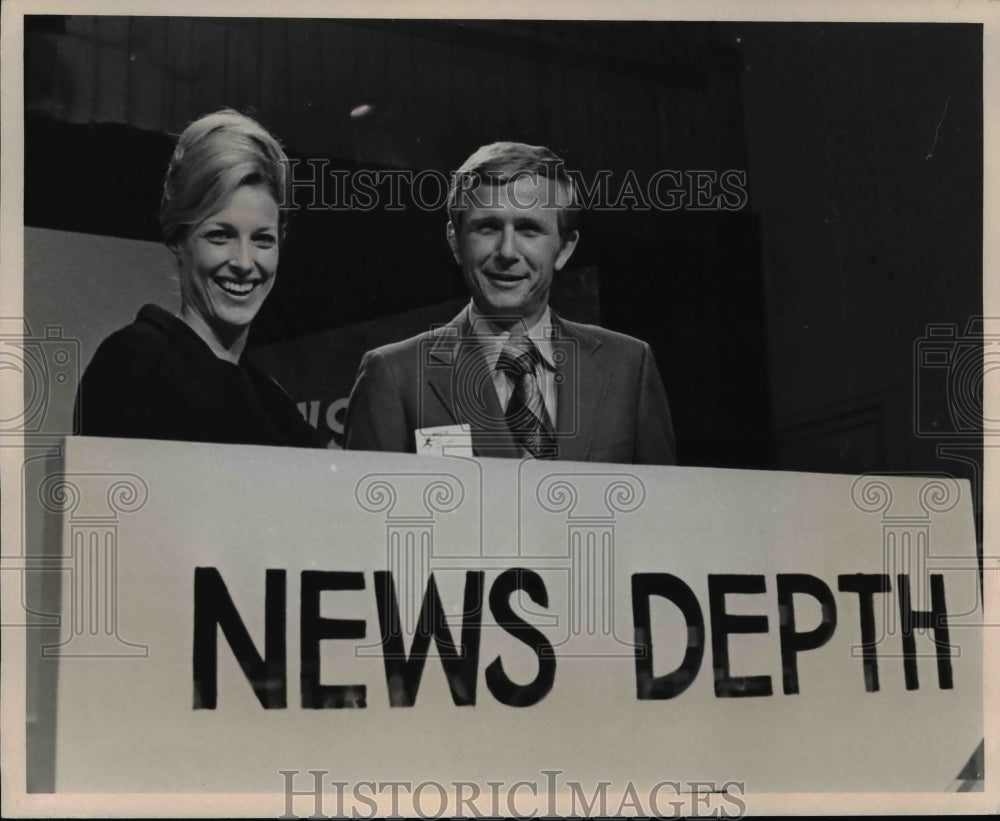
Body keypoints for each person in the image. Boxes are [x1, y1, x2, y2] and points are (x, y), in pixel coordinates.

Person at [344, 141, 676, 464]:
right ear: (455, 241)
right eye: (487, 227)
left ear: (565, 247)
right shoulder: (393, 375)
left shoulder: (629, 366)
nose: (506, 252)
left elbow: (663, 513)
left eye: (528, 229)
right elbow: (369, 517)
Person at [74, 109, 322, 448]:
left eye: (263, 240)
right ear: (178, 238)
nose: (244, 262)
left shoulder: (273, 401)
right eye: (220, 236)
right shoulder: (135, 362)